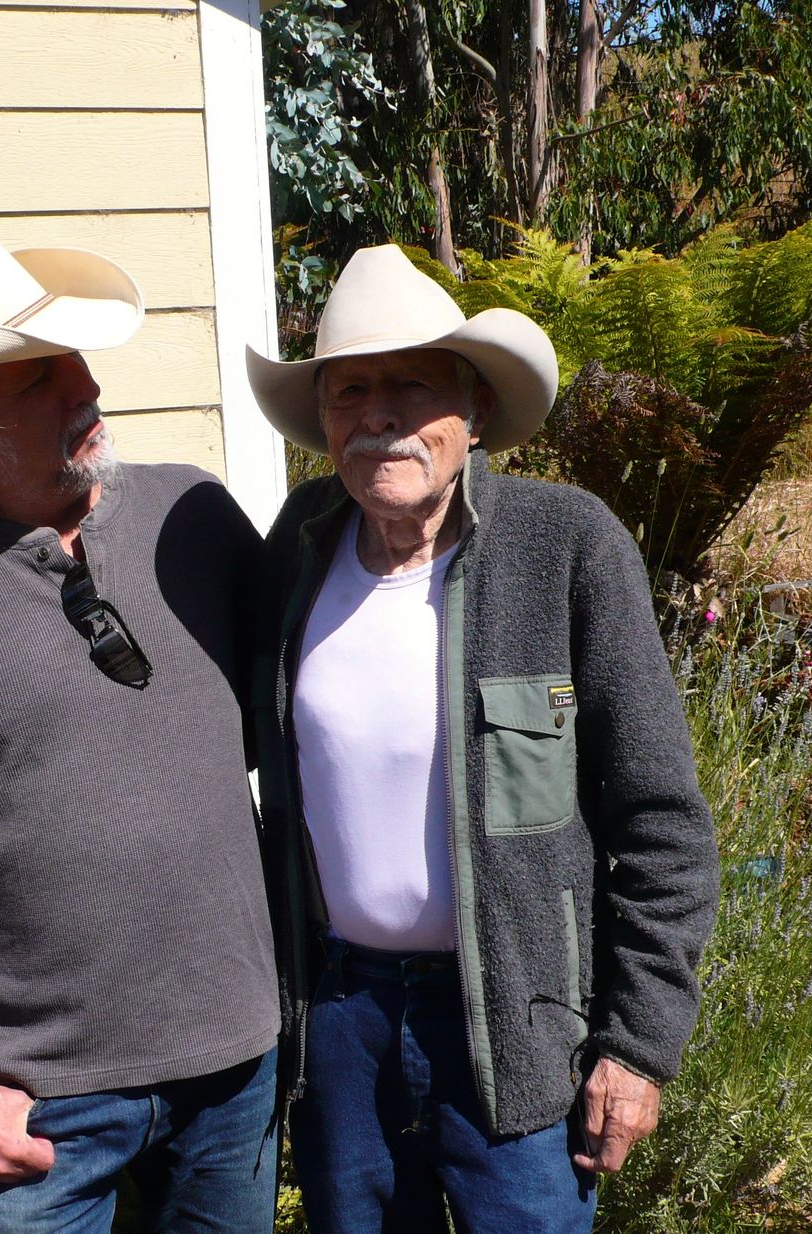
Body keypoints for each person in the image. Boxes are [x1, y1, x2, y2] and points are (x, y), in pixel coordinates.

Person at [246, 244, 720, 1233]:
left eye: (412, 385)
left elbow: (662, 823)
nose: (379, 415)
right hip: (342, 1022)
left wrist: (636, 1046)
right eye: (349, 389)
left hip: (519, 1022)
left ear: (473, 407)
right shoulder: (299, 544)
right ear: (322, 417)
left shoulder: (564, 546)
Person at [0, 225, 280, 1233]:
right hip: (35, 1104)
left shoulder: (194, 516)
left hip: (234, 1071)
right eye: (37, 378)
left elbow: (301, 721)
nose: (86, 386)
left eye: (74, 359)